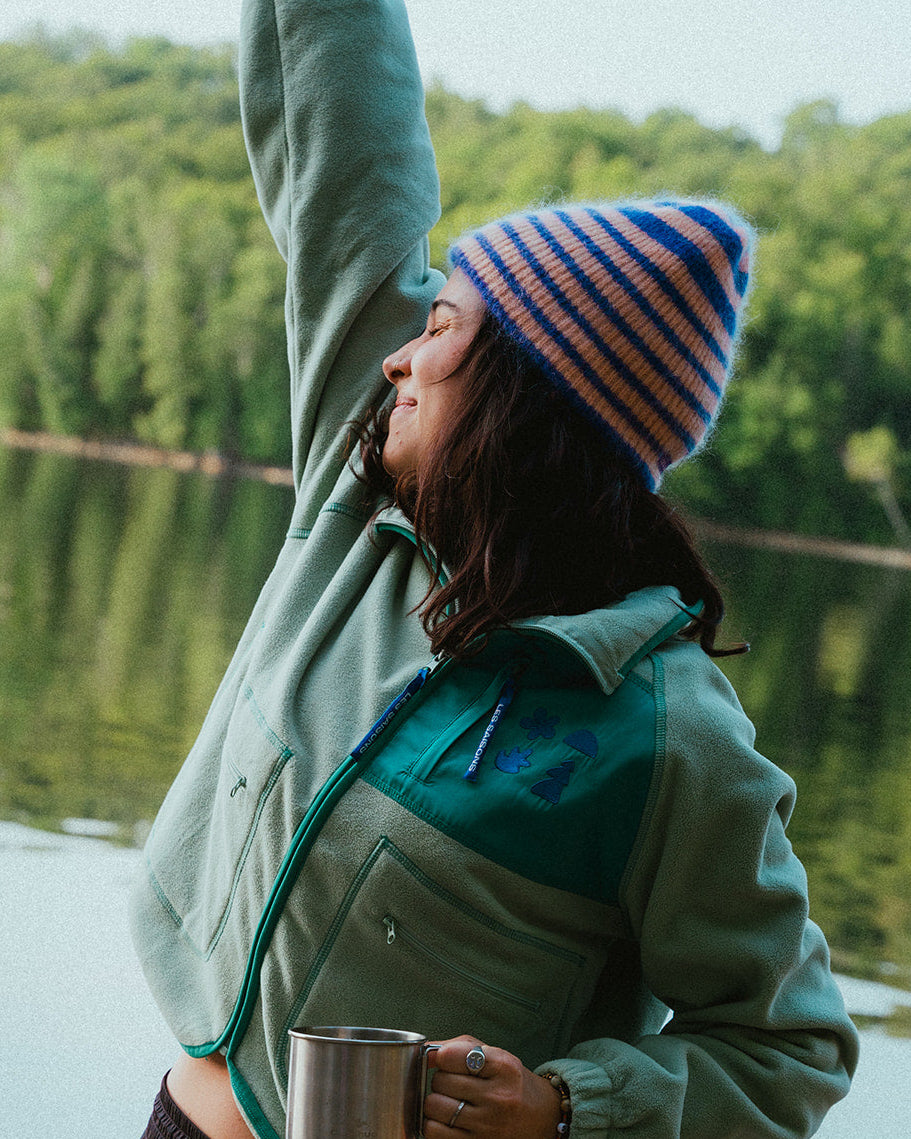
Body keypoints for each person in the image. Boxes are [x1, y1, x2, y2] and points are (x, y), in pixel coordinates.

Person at [133, 0, 859, 1137]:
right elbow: (347, 151)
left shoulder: (664, 732)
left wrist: (567, 1105)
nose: (401, 353)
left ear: (519, 406)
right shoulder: (357, 488)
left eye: (445, 326)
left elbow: (788, 1046)